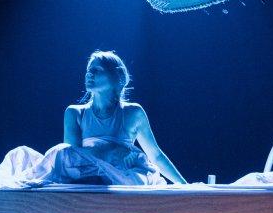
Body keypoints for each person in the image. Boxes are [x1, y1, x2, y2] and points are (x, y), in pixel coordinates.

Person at [62, 49, 188, 185]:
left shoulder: (133, 113)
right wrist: (111, 149)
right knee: (57, 153)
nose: (89, 74)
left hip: (123, 180)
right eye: (88, 70)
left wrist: (185, 186)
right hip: (87, 180)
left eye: (97, 70)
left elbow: (156, 156)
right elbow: (71, 158)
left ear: (117, 76)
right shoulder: (75, 113)